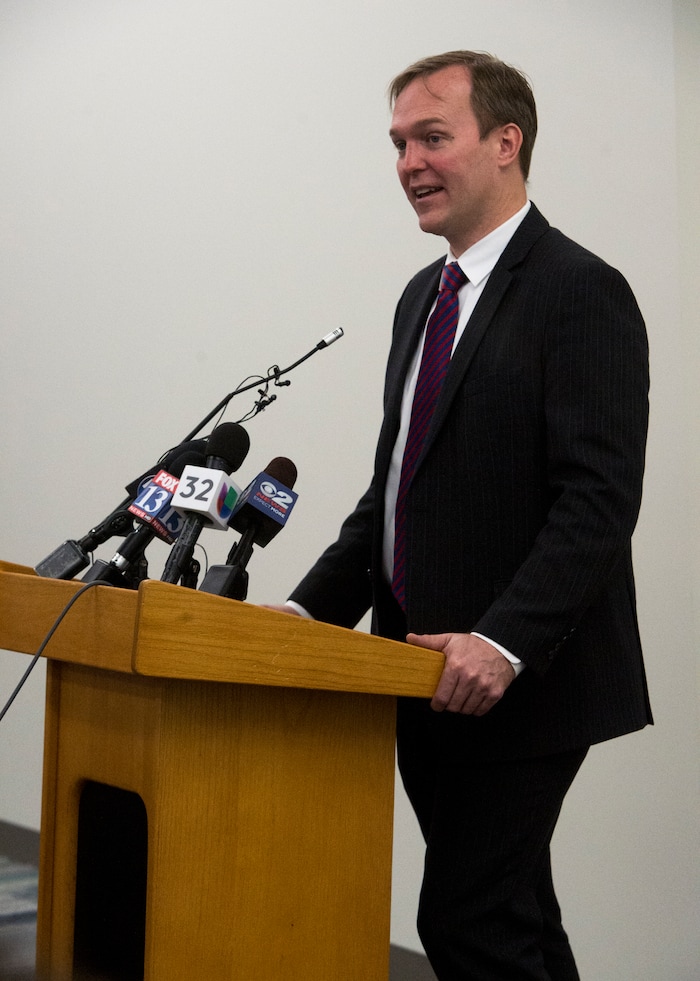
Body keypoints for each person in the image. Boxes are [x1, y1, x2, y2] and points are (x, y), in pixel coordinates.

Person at [271, 51, 651, 980]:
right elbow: (396, 492)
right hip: (416, 673)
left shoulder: (581, 289)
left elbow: (599, 499)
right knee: (510, 918)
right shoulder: (422, 298)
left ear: (506, 142)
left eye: (432, 137)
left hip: (518, 682)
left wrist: (503, 643)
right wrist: (304, 616)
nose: (410, 162)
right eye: (400, 143)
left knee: (467, 917)